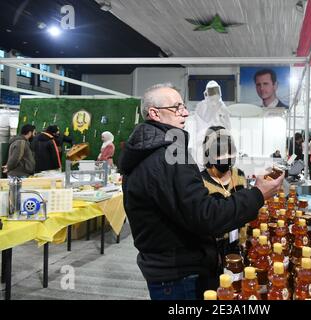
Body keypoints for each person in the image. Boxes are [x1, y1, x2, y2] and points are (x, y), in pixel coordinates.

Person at [119, 83, 284, 300]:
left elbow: (185, 209)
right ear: (154, 113)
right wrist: (257, 194)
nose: (185, 112)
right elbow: (206, 217)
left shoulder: (149, 154)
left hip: (166, 268)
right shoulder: (170, 156)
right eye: (177, 108)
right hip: (180, 275)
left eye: (184, 106)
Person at [201, 126, 246, 278]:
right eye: (220, 153)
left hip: (239, 244)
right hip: (212, 251)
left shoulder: (239, 175)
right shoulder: (200, 181)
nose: (226, 157)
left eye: (230, 151)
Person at [193, 81, 231, 168]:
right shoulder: (201, 106)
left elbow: (227, 126)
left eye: (215, 91)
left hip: (220, 143)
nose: (214, 94)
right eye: (212, 91)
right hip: (204, 142)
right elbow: (203, 122)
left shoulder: (222, 107)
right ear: (206, 93)